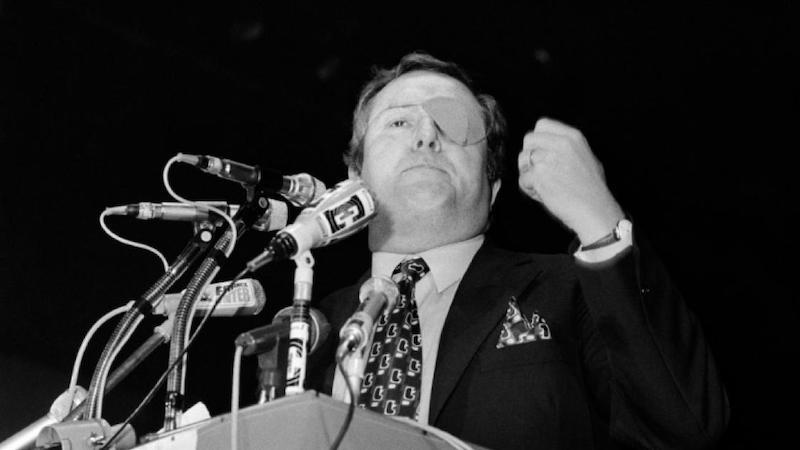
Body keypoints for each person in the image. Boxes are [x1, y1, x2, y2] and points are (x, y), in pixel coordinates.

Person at [307, 52, 729, 450]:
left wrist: (598, 218)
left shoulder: (573, 289)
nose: (427, 135)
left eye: (455, 124)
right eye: (399, 123)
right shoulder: (307, 332)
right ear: (353, 177)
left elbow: (684, 426)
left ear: (493, 188)